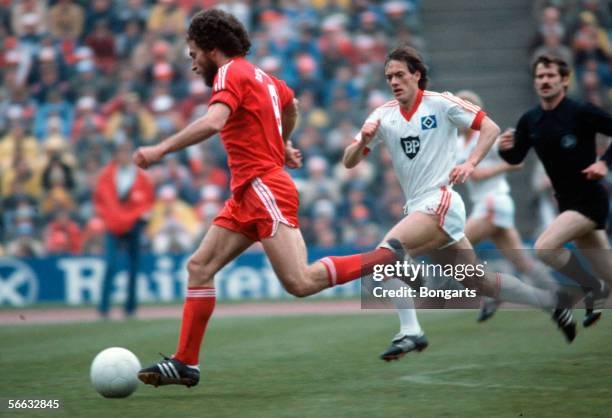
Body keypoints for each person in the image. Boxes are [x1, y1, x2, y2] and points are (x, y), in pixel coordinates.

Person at [134, 9, 406, 388]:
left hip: (264, 188)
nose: (193, 64)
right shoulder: (263, 77)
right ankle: (186, 363)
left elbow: (213, 123)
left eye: (193, 54)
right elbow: (291, 106)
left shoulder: (230, 73)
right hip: (249, 191)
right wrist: (281, 145)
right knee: (199, 267)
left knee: (300, 281)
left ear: (213, 50)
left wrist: (161, 148)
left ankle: (386, 257)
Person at [341, 46, 577, 362]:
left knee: (386, 253)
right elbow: (348, 161)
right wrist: (364, 141)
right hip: (420, 208)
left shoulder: (440, 103)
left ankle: (410, 331)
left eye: (400, 74)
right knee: (480, 282)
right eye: (389, 77)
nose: (394, 81)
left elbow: (490, 128)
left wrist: (471, 164)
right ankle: (551, 301)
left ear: (416, 75)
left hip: (440, 201)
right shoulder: (382, 115)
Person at [499, 54, 612, 326]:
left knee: (544, 248)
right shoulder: (531, 119)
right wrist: (505, 151)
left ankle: (591, 288)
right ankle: (600, 288)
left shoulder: (581, 111)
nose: (545, 81)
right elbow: (517, 158)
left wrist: (604, 163)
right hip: (565, 202)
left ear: (564, 80)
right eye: (540, 76)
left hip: (589, 200)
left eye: (550, 76)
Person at [455, 90, 561, 323]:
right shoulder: (458, 141)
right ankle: (555, 293)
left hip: (493, 203)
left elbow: (516, 163)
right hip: (490, 204)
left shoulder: (487, 138)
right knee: (521, 260)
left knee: (454, 247)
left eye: (462, 110)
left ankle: (493, 290)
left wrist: (488, 170)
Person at [94, 139, 155, 317]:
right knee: (110, 265)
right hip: (113, 225)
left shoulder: (141, 177)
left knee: (133, 268)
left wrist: (138, 217)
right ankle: (104, 308)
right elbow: (101, 201)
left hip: (133, 226)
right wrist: (109, 219)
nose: (125, 156)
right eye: (122, 152)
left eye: (128, 152)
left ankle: (130, 308)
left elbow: (147, 201)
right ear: (116, 155)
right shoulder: (106, 175)